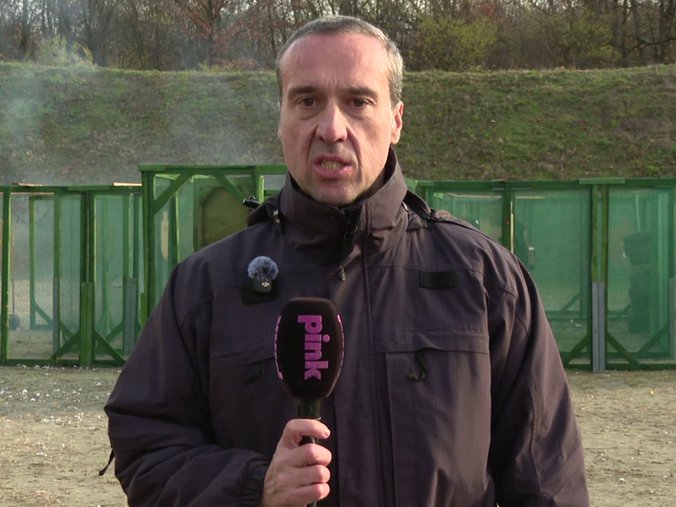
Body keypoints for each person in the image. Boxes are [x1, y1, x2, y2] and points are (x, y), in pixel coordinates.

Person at [105, 15, 590, 507]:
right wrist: (255, 486)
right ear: (280, 119)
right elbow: (147, 448)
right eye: (307, 101)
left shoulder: (485, 279)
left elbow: (549, 481)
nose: (332, 129)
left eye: (358, 102)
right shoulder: (207, 285)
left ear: (396, 120)